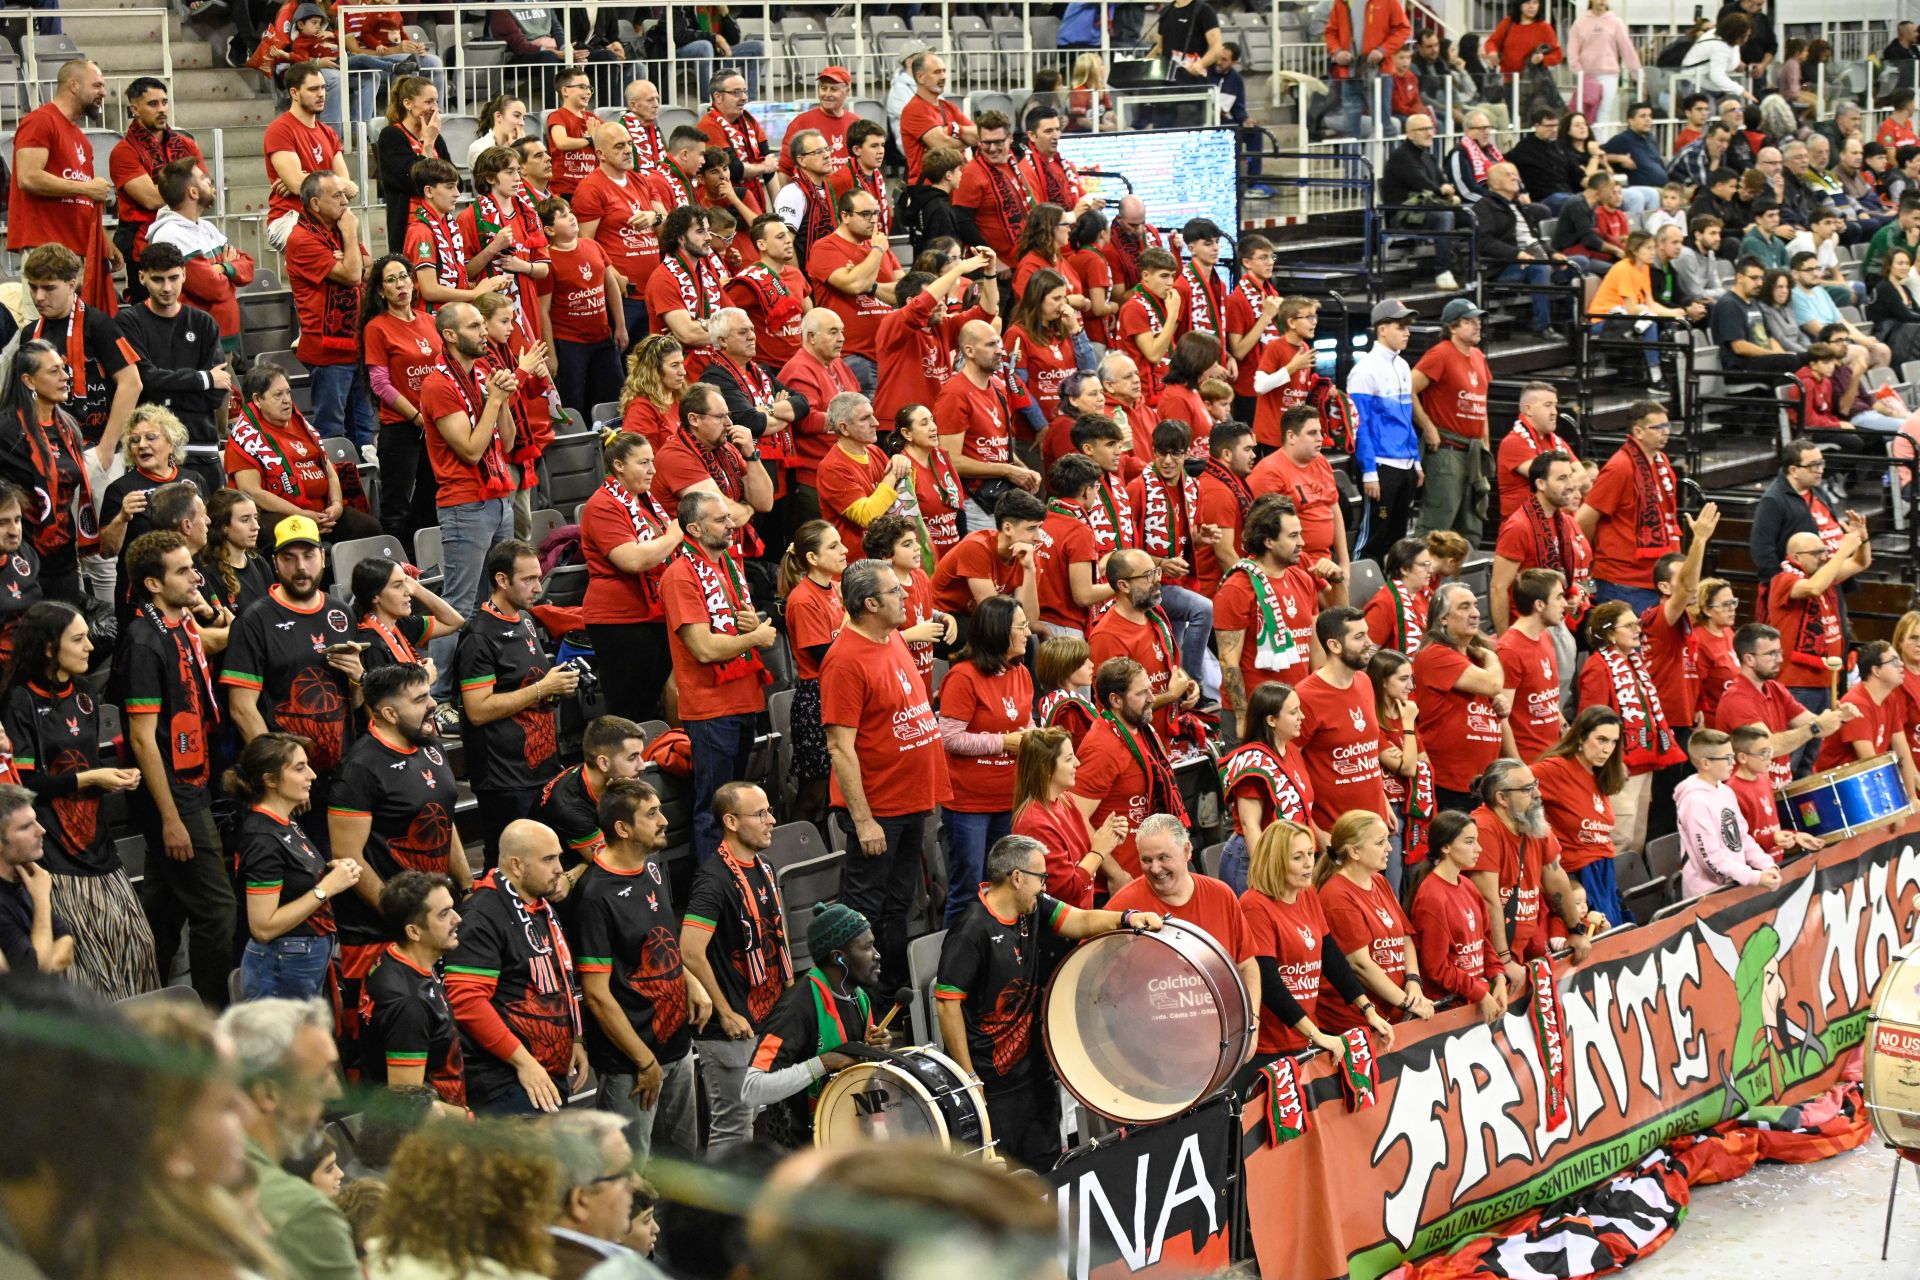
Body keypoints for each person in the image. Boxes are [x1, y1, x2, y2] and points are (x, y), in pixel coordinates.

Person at [938, 832, 1163, 1167]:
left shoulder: (1034, 909)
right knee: (1002, 1178)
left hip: (1034, 1072)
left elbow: (1081, 920)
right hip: (991, 1085)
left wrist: (1127, 918)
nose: (1045, 885)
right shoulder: (971, 930)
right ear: (1017, 878)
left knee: (1045, 1167)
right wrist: (969, 1080)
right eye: (1040, 877)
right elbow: (946, 1003)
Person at [0, 601, 141, 996]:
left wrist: (112, 777)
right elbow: (25, 784)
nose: (90, 648)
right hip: (54, 850)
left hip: (97, 842)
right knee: (89, 970)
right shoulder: (20, 700)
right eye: (78, 640)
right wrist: (89, 777)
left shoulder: (83, 694)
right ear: (48, 647)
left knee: (136, 947)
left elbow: (85, 766)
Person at [820, 558, 945, 987]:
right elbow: (840, 746)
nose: (905, 594)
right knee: (861, 914)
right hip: (880, 810)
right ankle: (851, 1004)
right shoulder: (844, 661)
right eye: (895, 591)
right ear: (870, 603)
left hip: (910, 800)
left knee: (897, 905)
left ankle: (890, 994)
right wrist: (863, 820)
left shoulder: (890, 637)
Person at [570, 777, 705, 1166]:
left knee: (683, 1167)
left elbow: (661, 941)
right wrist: (644, 1061)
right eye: (652, 814)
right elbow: (596, 995)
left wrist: (691, 982)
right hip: (631, 1065)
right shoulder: (594, 896)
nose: (664, 820)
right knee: (628, 1174)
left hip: (676, 1047)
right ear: (623, 828)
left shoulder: (651, 869)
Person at [220, 516, 362, 853]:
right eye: (289, 558)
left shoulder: (341, 613)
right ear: (275, 563)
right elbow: (242, 709)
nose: (301, 567)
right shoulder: (255, 620)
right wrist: (284, 777)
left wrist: (358, 676)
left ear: (323, 559)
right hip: (287, 780)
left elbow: (356, 702)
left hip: (340, 772)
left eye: (309, 556)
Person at [659, 490, 775, 860]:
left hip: (742, 698)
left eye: (729, 516)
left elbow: (729, 627)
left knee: (737, 809)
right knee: (715, 812)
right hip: (711, 710)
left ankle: (740, 881)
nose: (731, 524)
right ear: (693, 528)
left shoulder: (727, 564)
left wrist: (748, 625)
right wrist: (755, 637)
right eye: (720, 519)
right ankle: (712, 896)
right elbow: (704, 648)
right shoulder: (680, 576)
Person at [442, 819, 586, 1115]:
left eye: (558, 856)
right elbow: (466, 1001)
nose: (560, 867)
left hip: (545, 1072)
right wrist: (524, 1062)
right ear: (516, 865)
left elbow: (558, 975)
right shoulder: (482, 915)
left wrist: (576, 1038)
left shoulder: (539, 904)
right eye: (548, 859)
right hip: (507, 1082)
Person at [678, 781, 790, 1153]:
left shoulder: (765, 866)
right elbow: (690, 951)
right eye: (760, 814)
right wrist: (724, 1012)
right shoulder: (713, 880)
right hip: (730, 1029)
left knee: (763, 1116)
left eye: (769, 811)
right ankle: (720, 1212)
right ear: (730, 821)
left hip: (764, 1014)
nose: (771, 820)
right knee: (733, 1125)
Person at [450, 540, 574, 867]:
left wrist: (556, 687)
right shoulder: (479, 636)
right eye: (528, 579)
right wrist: (540, 689)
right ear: (502, 581)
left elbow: (529, 683)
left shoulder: (525, 620)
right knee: (511, 865)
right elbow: (477, 710)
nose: (538, 586)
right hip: (505, 778)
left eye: (538, 577)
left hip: (541, 767)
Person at [220, 998, 357, 1280]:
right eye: (321, 1078)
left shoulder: (183, 1174)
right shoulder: (306, 1214)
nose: (334, 1094)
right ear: (268, 1094)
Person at [740, 901, 890, 1149]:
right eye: (867, 947)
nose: (877, 955)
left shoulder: (858, 997)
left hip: (848, 1140)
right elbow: (751, 1090)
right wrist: (822, 1063)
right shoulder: (795, 1010)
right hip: (800, 1153)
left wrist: (873, 1051)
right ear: (839, 958)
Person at [226, 730, 352, 1002]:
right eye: (299, 768)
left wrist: (332, 872)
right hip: (281, 966)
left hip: (303, 960)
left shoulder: (287, 820)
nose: (312, 775)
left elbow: (293, 883)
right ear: (270, 780)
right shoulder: (262, 839)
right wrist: (325, 889)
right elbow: (262, 927)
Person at [938, 594, 1035, 923]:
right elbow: (948, 738)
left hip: (1009, 798)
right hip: (970, 805)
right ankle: (955, 965)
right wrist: (1002, 743)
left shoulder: (1020, 671)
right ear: (998, 632)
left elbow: (1025, 722)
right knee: (968, 888)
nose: (1027, 633)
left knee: (1005, 887)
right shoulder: (963, 677)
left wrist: (1034, 737)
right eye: (1020, 626)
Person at [578, 432, 683, 724]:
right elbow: (632, 559)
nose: (653, 470)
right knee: (630, 710)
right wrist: (674, 535)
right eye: (644, 463)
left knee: (651, 705)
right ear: (619, 465)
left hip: (654, 615)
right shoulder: (602, 505)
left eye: (652, 461)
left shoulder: (645, 501)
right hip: (620, 621)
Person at [116, 244, 232, 487]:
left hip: (200, 445)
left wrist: (164, 392)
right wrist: (202, 380)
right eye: (158, 279)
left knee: (213, 522)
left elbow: (214, 395)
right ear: (142, 277)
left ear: (184, 275)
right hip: (150, 451)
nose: (167, 288)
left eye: (173, 278)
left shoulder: (203, 323)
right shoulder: (129, 321)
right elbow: (144, 381)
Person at [7, 61, 118, 315]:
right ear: (73, 85)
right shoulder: (40, 121)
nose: (103, 92)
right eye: (97, 85)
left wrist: (103, 241)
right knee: (43, 334)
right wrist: (86, 188)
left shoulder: (81, 139)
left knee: (70, 334)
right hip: (44, 247)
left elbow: (84, 198)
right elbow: (28, 177)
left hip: (75, 251)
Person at [225, 364, 377, 547]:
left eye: (288, 393)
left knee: (370, 528)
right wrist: (301, 514)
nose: (287, 400)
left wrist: (336, 504)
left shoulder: (302, 425)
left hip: (324, 512)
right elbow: (252, 492)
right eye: (278, 395)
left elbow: (329, 470)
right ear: (257, 399)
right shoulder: (245, 439)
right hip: (282, 515)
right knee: (288, 539)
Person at [356, 870, 466, 1109]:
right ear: (414, 931)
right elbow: (409, 1105)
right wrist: (468, 1120)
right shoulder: (409, 1004)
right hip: (426, 1138)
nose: (457, 918)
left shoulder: (393, 958)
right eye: (444, 914)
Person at [285, 171, 374, 448]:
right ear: (314, 204)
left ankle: (364, 487)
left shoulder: (333, 228)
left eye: (345, 194)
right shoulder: (302, 239)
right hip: (328, 352)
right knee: (333, 431)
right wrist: (350, 237)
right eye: (336, 195)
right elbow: (352, 275)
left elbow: (368, 266)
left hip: (357, 343)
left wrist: (351, 258)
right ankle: (339, 488)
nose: (345, 200)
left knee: (364, 428)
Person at [1715, 622, 1856, 792]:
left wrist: (1839, 717)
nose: (1780, 659)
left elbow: (1817, 725)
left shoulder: (1775, 689)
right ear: (1749, 659)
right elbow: (1767, 747)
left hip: (1778, 793)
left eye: (1779, 652)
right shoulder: (1736, 699)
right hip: (1748, 797)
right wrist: (1815, 727)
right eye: (1772, 654)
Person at [1214, 492, 1321, 716]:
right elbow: (1228, 661)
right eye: (1293, 536)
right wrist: (1243, 717)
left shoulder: (1302, 579)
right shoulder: (1237, 588)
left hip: (1296, 711)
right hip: (1256, 714)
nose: (1302, 542)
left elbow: (1315, 648)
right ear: (1269, 541)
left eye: (1300, 534)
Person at [1574, 401, 1680, 614]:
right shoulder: (1620, 467)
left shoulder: (1662, 462)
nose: (1666, 432)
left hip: (1654, 579)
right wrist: (1595, 561)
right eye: (1658, 428)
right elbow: (1583, 521)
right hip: (1622, 582)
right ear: (1638, 432)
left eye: (1667, 426)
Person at [1414, 583, 1509, 813]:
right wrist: (1491, 655)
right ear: (1443, 618)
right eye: (1464, 607)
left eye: (1475, 606)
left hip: (1482, 783)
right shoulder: (1436, 655)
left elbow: (1494, 696)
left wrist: (1500, 706)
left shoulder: (1474, 661)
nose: (1475, 613)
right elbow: (1494, 684)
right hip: (1449, 785)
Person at [1010, 726, 1129, 907]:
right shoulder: (1035, 824)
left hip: (1081, 917)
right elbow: (1068, 892)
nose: (1077, 763)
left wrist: (1108, 837)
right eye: (1068, 759)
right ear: (1046, 768)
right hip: (1061, 929)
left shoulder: (1065, 800)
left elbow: (1082, 855)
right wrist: (1099, 851)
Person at [1769, 520, 1871, 728]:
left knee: (1812, 754)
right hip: (1796, 684)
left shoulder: (1824, 577)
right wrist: (1842, 551)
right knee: (1795, 750)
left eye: (1824, 551)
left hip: (1825, 680)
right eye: (1816, 553)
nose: (1823, 557)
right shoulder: (1784, 580)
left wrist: (1862, 539)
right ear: (1796, 557)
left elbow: (1860, 563)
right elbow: (1813, 588)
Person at [1410, 811, 1508, 1022]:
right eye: (1469, 842)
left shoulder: (1469, 886)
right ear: (1445, 847)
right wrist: (1478, 992)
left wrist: (1498, 977)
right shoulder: (1432, 898)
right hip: (1448, 1010)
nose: (1479, 849)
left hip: (1474, 999)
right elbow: (1436, 967)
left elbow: (1485, 943)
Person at [537, 196, 629, 419]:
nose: (571, 218)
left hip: (602, 337)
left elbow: (611, 286)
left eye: (570, 212)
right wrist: (551, 354)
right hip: (569, 343)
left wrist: (620, 326)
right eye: (563, 216)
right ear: (549, 229)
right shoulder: (547, 260)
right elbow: (543, 311)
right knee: (573, 400)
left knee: (614, 395)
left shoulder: (593, 245)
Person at [807, 189, 904, 397]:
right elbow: (853, 285)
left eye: (876, 213)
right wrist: (876, 252)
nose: (873, 220)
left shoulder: (879, 245)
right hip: (852, 355)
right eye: (866, 214)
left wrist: (872, 286)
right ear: (845, 216)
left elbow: (903, 292)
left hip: (888, 354)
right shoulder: (825, 248)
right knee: (861, 424)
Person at [1411, 298, 1492, 541]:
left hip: (1473, 452)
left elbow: (1481, 403)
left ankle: (1462, 576)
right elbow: (1408, 389)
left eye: (1478, 320)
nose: (1477, 326)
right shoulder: (1440, 354)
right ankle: (1418, 575)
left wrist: (1486, 443)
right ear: (1452, 327)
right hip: (1447, 451)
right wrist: (1428, 428)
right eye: (1469, 321)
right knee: (1438, 522)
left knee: (1470, 524)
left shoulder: (1478, 356)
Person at [1349, 299, 1422, 562]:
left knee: (1398, 539)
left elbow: (1406, 417)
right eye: (1401, 326)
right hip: (1380, 466)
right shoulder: (1364, 371)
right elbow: (1361, 426)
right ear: (1382, 329)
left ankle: (1394, 596)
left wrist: (1415, 459)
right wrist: (1369, 471)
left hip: (1404, 464)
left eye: (1408, 326)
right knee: (1373, 537)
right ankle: (1357, 590)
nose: (1407, 332)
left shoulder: (1402, 366)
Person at [1676, 729, 1783, 900]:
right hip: (1707, 897)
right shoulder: (1694, 801)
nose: (1733, 762)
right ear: (1705, 763)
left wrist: (1767, 865)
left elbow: (1742, 838)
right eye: (1726, 758)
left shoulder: (1725, 792)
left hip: (1733, 888)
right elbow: (1710, 861)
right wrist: (1754, 877)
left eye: (1732, 756)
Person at [1812, 643, 1920, 800]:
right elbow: (1871, 763)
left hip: (1863, 787)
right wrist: (1894, 802)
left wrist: (1912, 797)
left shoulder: (1890, 698)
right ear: (1876, 671)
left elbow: (1902, 751)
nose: (1902, 664)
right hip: (1836, 792)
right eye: (1894, 661)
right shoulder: (1857, 703)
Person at [1750, 437, 1850, 598]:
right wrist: (1783, 586)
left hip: (1830, 582)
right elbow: (1762, 548)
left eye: (1821, 463)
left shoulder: (1819, 492)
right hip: (1802, 589)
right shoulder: (1773, 501)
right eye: (1813, 465)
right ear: (1794, 470)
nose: (1820, 470)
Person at [1495, 569, 1569, 763]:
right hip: (1529, 764)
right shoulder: (1509, 650)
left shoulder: (1544, 636)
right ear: (1539, 604)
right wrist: (1519, 768)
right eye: (1559, 597)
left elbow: (1548, 700)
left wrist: (1566, 731)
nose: (1565, 604)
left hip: (1551, 757)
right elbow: (1501, 718)